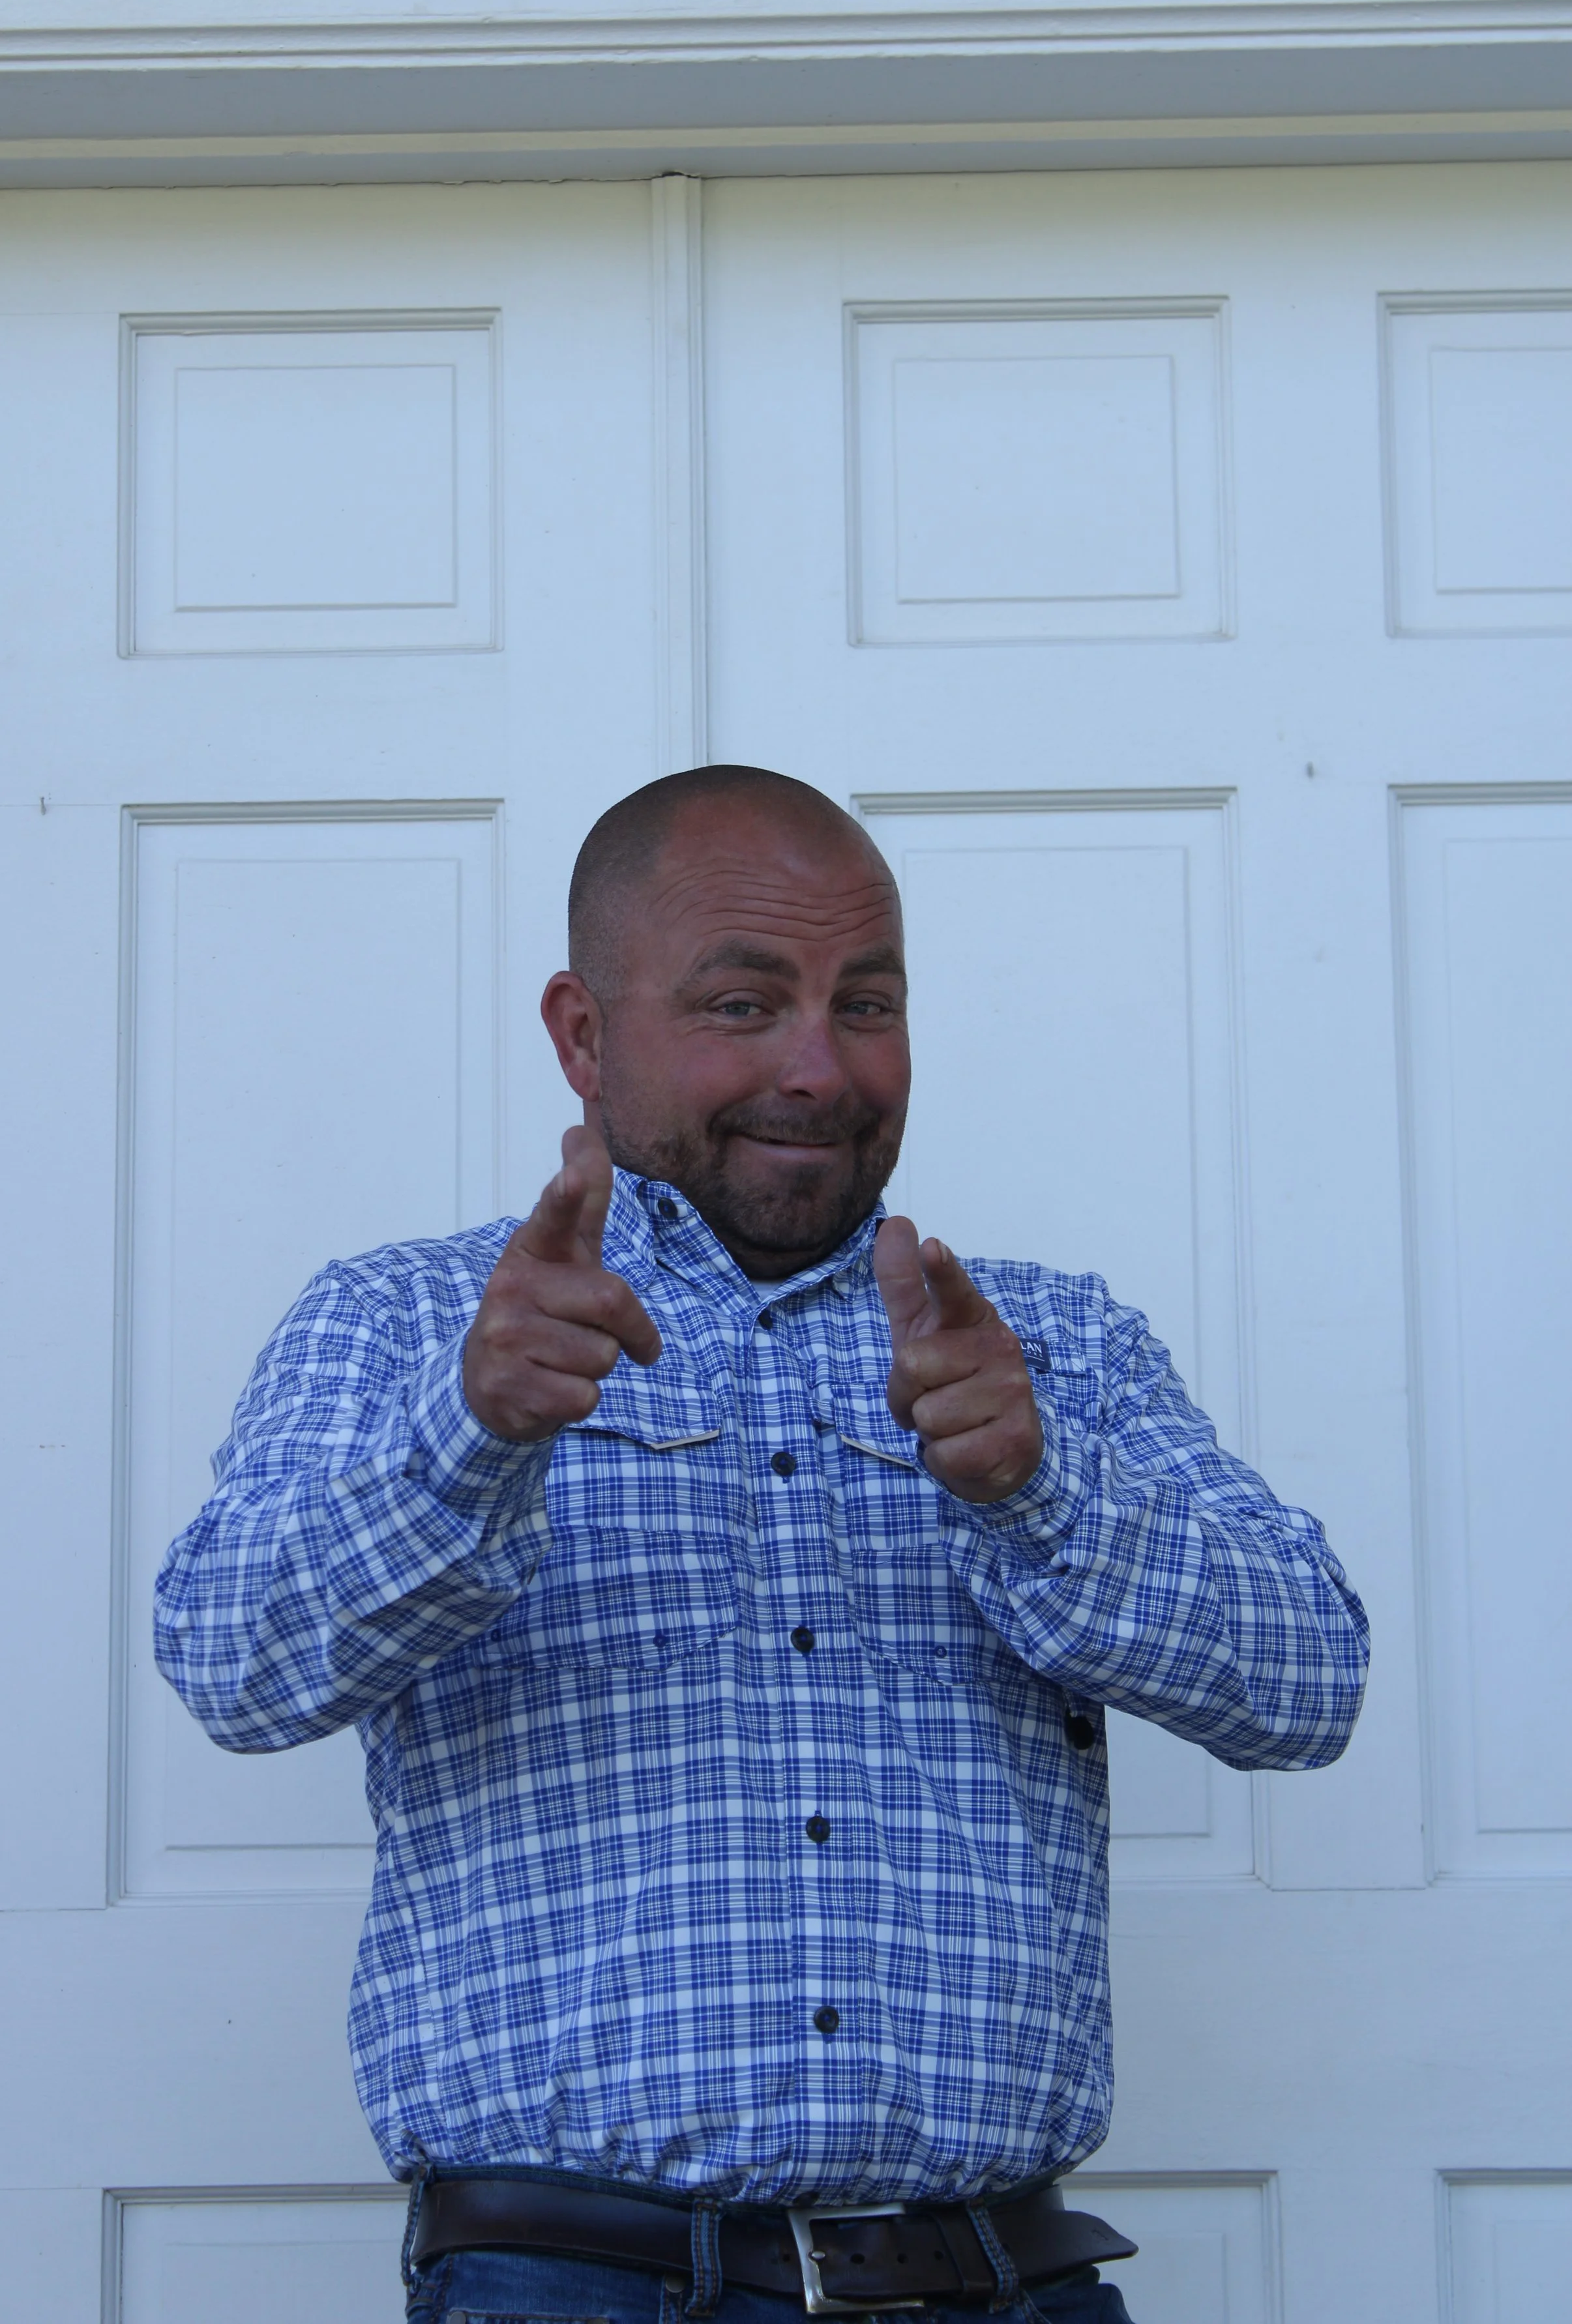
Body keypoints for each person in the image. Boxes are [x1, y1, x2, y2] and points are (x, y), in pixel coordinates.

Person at [156, 765, 1369, 2324]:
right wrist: (471, 1441)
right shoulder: (405, 1323)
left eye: (865, 1004)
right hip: (572, 2284)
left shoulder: (1052, 1344)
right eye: (742, 1005)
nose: (818, 1066)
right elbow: (230, 1664)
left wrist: (1040, 1490)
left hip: (1002, 2281)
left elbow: (1308, 1685)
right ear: (583, 1034)